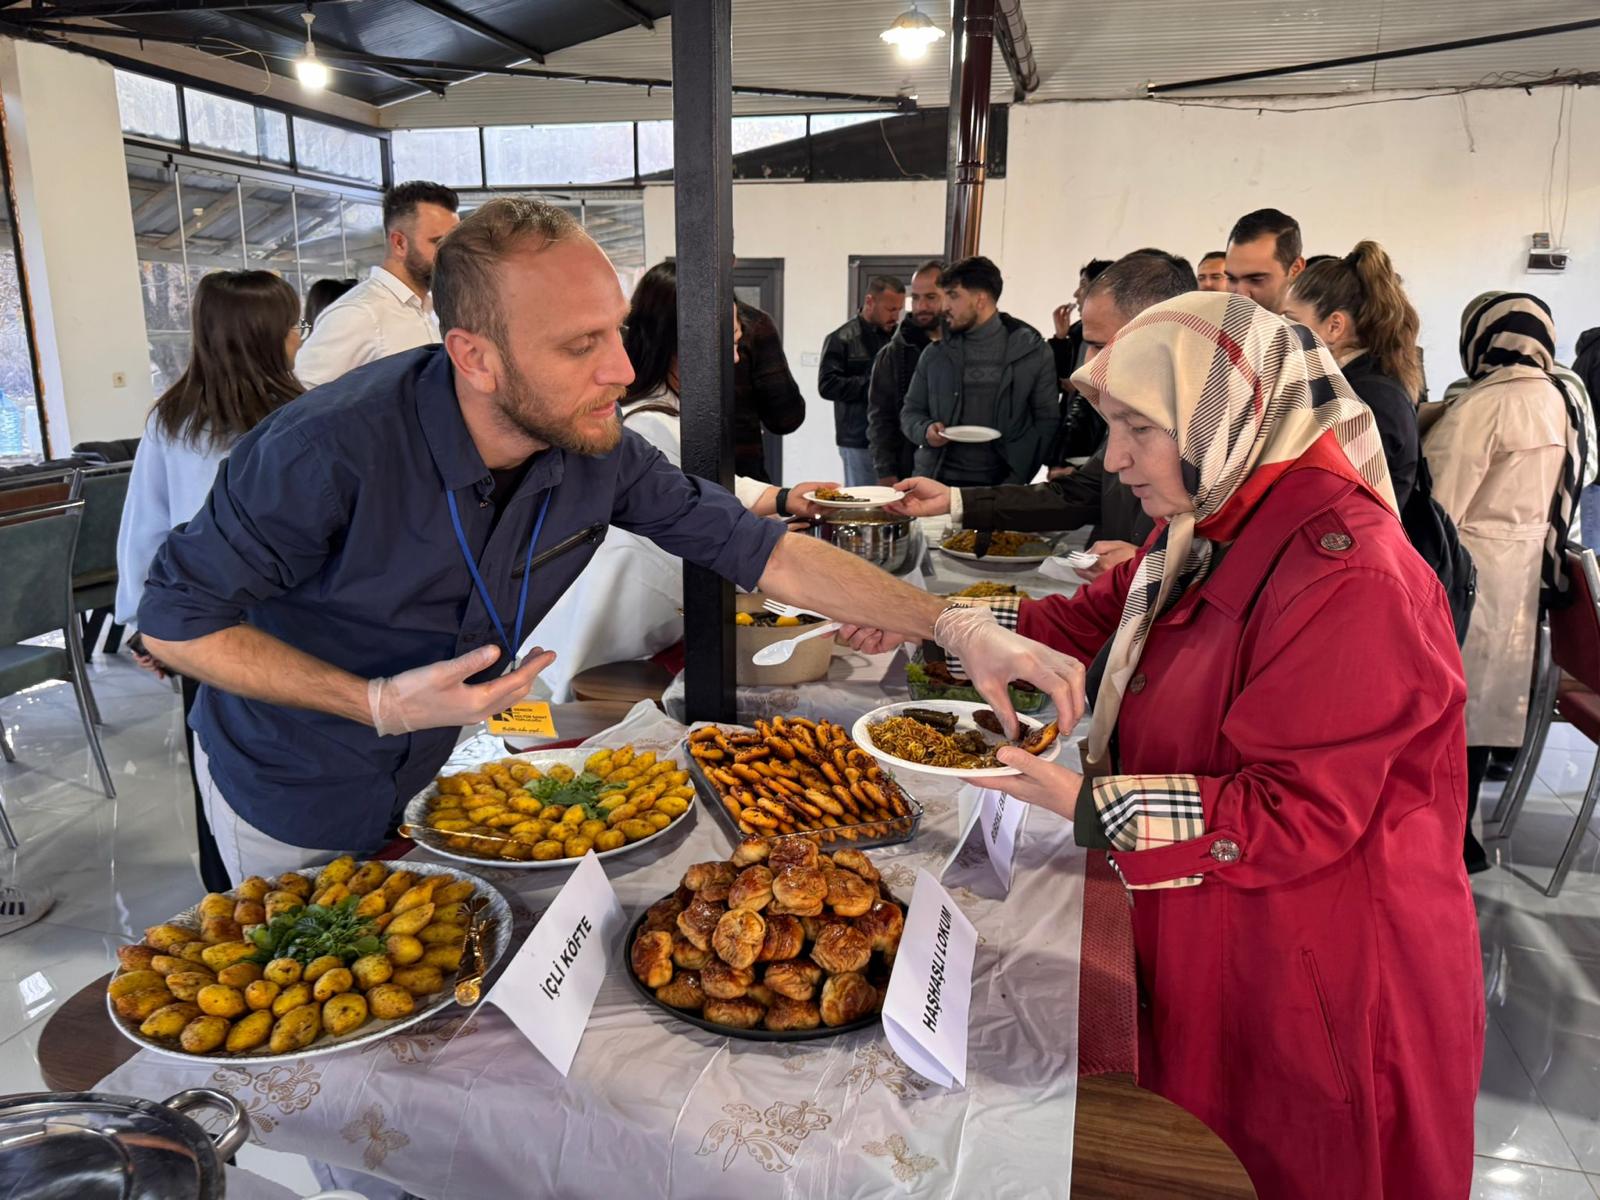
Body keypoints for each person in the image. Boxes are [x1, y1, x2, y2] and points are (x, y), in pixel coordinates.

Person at [136, 197, 1084, 885]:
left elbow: (769, 552)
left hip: (428, 775)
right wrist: (373, 702)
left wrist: (955, 630)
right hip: (288, 783)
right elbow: (171, 624)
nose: (623, 370)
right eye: (579, 345)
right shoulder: (321, 452)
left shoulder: (601, 451)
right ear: (475, 354)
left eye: (619, 334)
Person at [954, 291, 1484, 1200]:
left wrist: (1089, 804)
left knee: (1286, 1165)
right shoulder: (1216, 518)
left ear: (1233, 417)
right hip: (1223, 928)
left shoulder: (1349, 574)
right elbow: (1088, 617)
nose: (1114, 461)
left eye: (1137, 430)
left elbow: (1295, 808)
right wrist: (947, 625)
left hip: (1322, 973)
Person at [532, 261, 835, 700]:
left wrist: (787, 499)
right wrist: (777, 514)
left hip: (650, 619)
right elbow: (696, 498)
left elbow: (708, 487)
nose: (735, 358)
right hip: (615, 623)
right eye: (727, 344)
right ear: (678, 344)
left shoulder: (674, 410)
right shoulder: (647, 422)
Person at [114, 270, 305, 892]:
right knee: (288, 756)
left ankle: (228, 891)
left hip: (201, 631)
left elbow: (145, 528)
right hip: (292, 628)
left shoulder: (173, 420)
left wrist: (147, 628)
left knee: (214, 757)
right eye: (294, 327)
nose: (299, 338)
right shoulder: (306, 416)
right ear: (272, 335)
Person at [891, 250, 1196, 578]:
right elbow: (1077, 494)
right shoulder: (936, 353)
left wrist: (1152, 566)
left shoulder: (1220, 437)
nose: (1084, 366)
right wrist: (954, 500)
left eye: (1099, 345)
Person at [1424, 293, 1586, 872]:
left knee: (1452, 706)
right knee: (1485, 710)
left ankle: (1445, 839)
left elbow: (1441, 504)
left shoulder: (1482, 407)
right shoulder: (1558, 397)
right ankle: (1463, 835)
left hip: (1470, 570)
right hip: (1520, 576)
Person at [1280, 240, 1421, 507]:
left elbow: (1335, 501)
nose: (1284, 333)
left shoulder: (1366, 397)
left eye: (1292, 321)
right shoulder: (1362, 383)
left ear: (1334, 326)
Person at [900, 256, 1059, 487]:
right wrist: (926, 430)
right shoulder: (935, 354)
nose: (944, 307)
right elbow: (910, 412)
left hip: (1000, 486)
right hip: (937, 480)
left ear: (981, 299)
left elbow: (1046, 422)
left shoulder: (1032, 352)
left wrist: (1017, 479)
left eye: (953, 295)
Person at [294, 180, 460, 388]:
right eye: (438, 242)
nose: (452, 254)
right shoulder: (359, 313)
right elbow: (300, 401)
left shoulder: (431, 308)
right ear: (399, 243)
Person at [820, 275, 904, 486]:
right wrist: (875, 384)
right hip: (857, 439)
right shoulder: (841, 339)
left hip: (895, 438)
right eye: (890, 309)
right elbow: (827, 385)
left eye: (898, 309)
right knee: (863, 505)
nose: (895, 316)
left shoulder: (899, 340)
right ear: (869, 301)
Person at [868, 259, 944, 485]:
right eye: (916, 298)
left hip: (956, 470)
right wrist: (885, 471)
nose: (921, 306)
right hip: (906, 467)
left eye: (930, 297)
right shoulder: (893, 353)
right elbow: (880, 417)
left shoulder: (963, 349)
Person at [1047, 257, 1114, 466]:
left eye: (1083, 286)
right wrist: (1060, 338)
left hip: (1095, 439)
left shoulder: (1119, 333)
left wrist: (1079, 387)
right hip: (1070, 430)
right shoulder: (1076, 331)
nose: (1076, 294)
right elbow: (1057, 376)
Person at [732, 300, 806, 481]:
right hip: (740, 471)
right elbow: (785, 418)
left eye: (736, 343)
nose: (735, 358)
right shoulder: (755, 324)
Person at [1224, 207, 1304, 313]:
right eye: (1231, 279)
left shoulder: (1316, 327)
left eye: (1256, 280)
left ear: (1295, 269)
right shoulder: (1206, 322)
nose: (1241, 295)